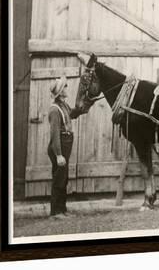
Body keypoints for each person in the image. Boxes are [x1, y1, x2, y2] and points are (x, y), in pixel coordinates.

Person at [47, 75, 93, 218]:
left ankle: (63, 210)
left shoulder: (63, 105)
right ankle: (55, 212)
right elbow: (54, 134)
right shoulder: (55, 109)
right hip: (59, 146)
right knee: (59, 179)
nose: (67, 88)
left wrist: (85, 106)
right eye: (65, 87)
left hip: (65, 144)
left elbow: (72, 114)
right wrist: (59, 154)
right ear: (60, 92)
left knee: (64, 178)